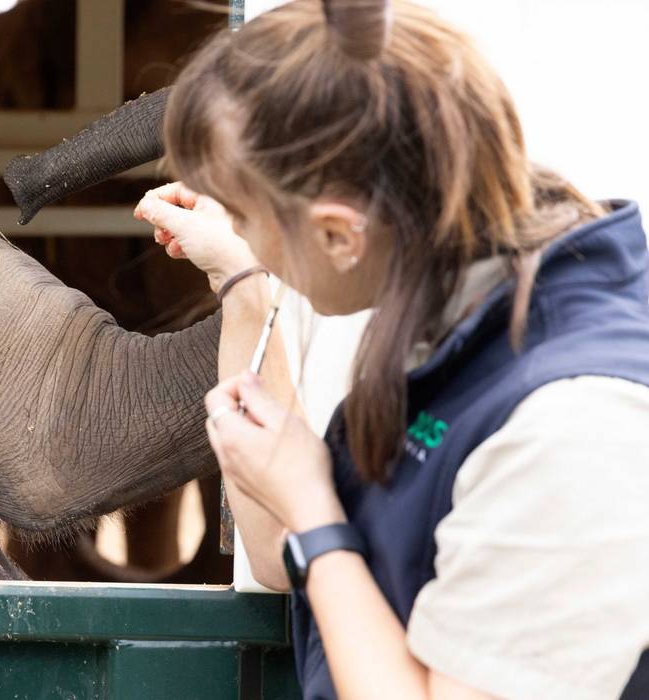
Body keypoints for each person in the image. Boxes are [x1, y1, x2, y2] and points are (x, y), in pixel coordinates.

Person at [132, 1, 649, 698]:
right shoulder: (462, 326)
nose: (242, 232)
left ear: (341, 237)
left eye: (247, 215)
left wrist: (314, 506)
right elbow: (285, 560)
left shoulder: (571, 425)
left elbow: (314, 543)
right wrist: (242, 280)